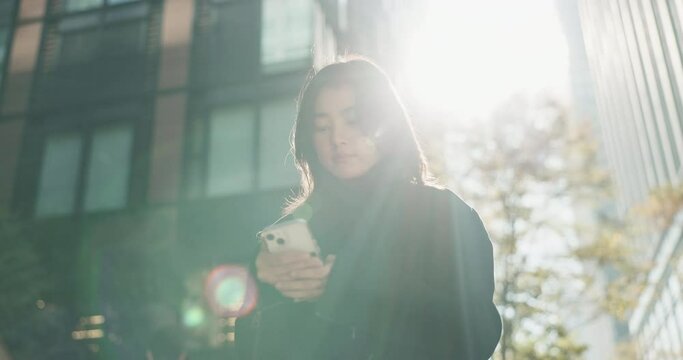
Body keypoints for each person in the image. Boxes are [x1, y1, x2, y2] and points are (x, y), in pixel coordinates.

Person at [236, 58, 501, 359]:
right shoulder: (293, 230)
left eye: (354, 120)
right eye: (322, 127)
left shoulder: (443, 214)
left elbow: (475, 335)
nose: (338, 138)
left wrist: (345, 287)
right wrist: (261, 283)